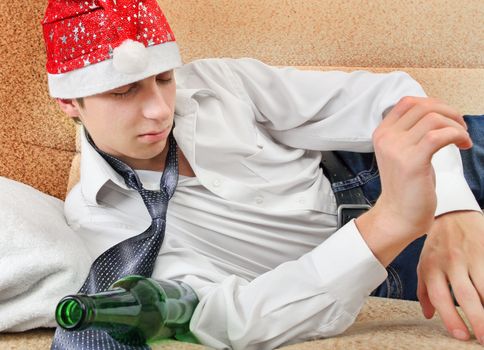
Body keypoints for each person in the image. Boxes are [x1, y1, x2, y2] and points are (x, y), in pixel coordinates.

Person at [42, 0, 484, 348]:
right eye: (124, 91)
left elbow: (394, 98)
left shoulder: (220, 83)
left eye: (163, 78)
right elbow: (230, 320)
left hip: (403, 165)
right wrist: (390, 224)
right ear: (68, 102)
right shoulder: (107, 226)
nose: (160, 109)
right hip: (373, 261)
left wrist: (452, 206)